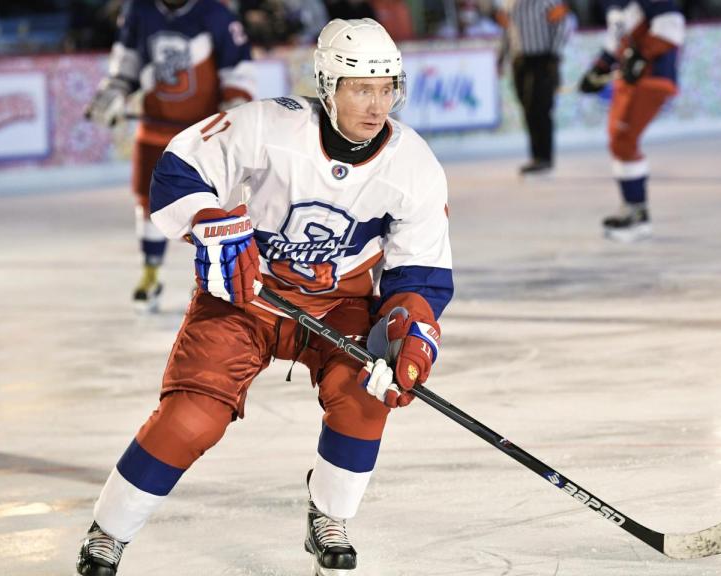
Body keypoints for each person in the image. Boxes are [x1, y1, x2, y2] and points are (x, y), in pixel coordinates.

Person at [75, 18, 453, 576]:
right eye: (361, 88)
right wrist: (209, 222)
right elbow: (177, 171)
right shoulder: (269, 126)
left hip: (338, 304)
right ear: (327, 86)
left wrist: (410, 339)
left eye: (387, 87)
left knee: (366, 396)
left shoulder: (414, 164)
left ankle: (329, 516)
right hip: (244, 296)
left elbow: (419, 278)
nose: (378, 105)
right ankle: (108, 532)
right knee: (192, 414)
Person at [85, 0, 255, 312]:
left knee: (213, 209)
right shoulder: (140, 11)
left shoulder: (216, 14)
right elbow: (126, 65)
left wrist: (233, 105)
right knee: (148, 204)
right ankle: (150, 275)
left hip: (204, 138)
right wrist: (113, 93)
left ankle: (211, 277)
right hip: (155, 129)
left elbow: (239, 69)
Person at [577, 0, 685, 241]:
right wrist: (599, 68)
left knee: (623, 140)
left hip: (653, 78)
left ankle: (637, 213)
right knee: (618, 141)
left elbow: (671, 27)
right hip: (631, 80)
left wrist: (641, 56)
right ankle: (633, 209)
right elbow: (617, 37)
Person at [500, 0, 572, 175]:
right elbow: (509, 30)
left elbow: (562, 25)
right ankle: (536, 156)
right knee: (527, 107)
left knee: (539, 107)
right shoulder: (509, 3)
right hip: (520, 59)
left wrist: (554, 55)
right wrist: (502, 56)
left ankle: (544, 157)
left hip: (542, 58)